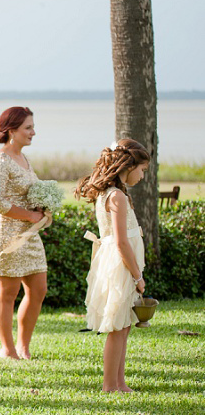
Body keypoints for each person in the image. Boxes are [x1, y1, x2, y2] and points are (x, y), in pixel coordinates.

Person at [76, 139, 150, 392]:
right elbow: (121, 242)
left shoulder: (111, 193)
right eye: (142, 170)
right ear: (127, 166)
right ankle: (110, 384)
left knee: (123, 325)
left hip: (117, 263)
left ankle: (120, 382)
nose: (143, 176)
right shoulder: (116, 195)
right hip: (120, 265)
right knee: (118, 326)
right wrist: (137, 275)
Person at [0, 107, 48, 360]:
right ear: (12, 131)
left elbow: (30, 192)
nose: (33, 132)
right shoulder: (0, 160)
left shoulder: (24, 159)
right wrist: (29, 215)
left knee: (39, 289)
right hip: (7, 236)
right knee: (8, 293)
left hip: (31, 235)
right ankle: (8, 348)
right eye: (28, 128)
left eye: (32, 127)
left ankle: (24, 345)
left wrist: (44, 209)